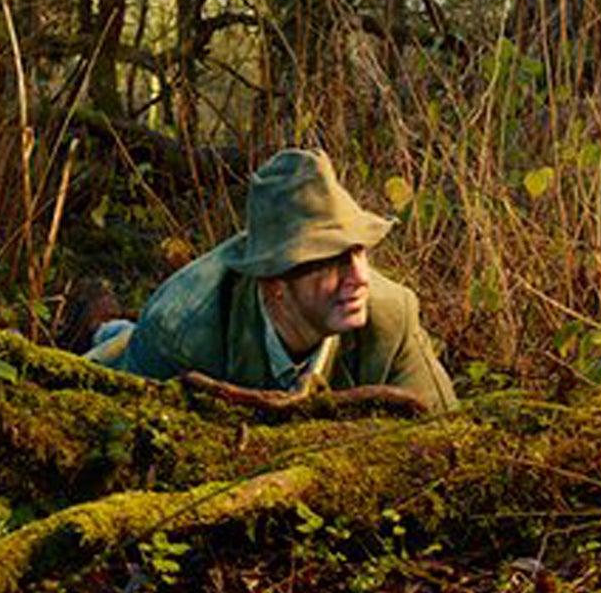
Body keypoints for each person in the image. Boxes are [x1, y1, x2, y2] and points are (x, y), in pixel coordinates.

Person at [86, 148, 457, 412]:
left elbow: (447, 437)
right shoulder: (181, 328)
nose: (359, 278)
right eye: (332, 262)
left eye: (359, 252)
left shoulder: (392, 314)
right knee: (107, 350)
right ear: (275, 284)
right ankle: (101, 325)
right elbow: (122, 440)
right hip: (134, 352)